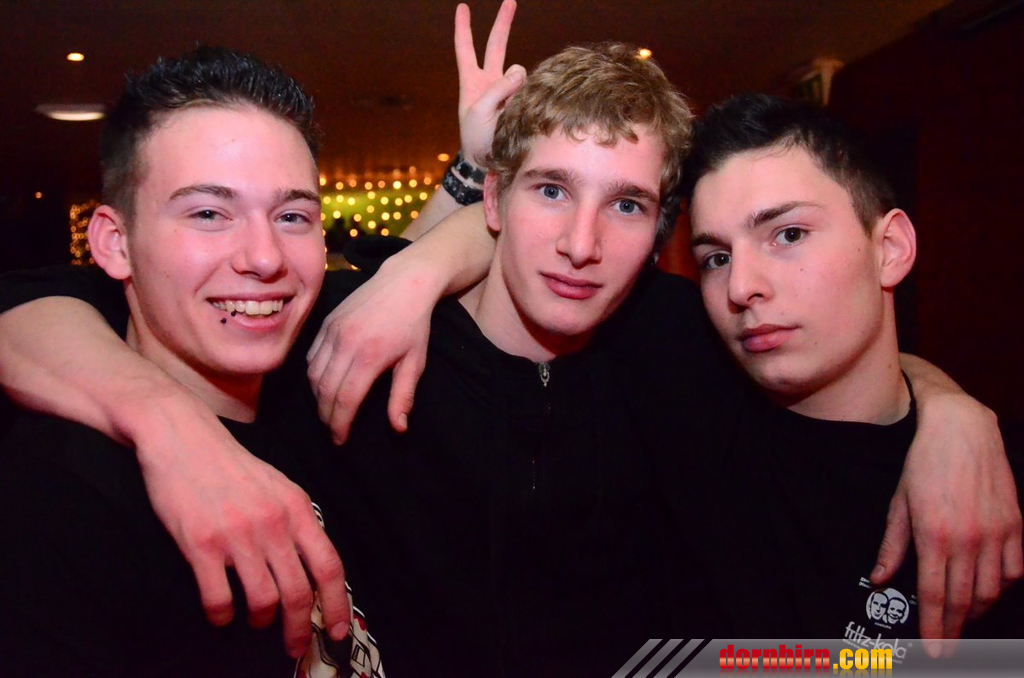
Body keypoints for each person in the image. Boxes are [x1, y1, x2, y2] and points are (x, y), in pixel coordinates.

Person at [0, 3, 1018, 669]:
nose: (581, 244)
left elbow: (837, 357)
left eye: (627, 207)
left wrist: (950, 412)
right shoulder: (336, 341)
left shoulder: (683, 343)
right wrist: (167, 425)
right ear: (492, 197)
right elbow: (38, 304)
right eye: (549, 191)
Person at [0, 46, 374, 675]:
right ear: (116, 244)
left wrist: (474, 179)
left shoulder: (321, 393)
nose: (265, 257)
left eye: (292, 215)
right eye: (208, 213)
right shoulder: (57, 494)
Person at [669, 92, 1022, 645]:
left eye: (788, 234)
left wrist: (952, 409)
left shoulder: (997, 485)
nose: (741, 286)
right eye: (717, 257)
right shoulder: (682, 423)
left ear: (890, 249)